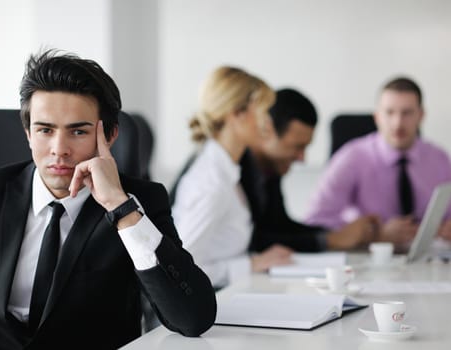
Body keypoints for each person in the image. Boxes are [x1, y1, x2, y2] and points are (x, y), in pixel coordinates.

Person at [0, 50, 216, 350]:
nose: (59, 149)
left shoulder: (141, 201)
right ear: (28, 132)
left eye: (78, 131)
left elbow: (192, 318)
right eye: (45, 130)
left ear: (110, 135)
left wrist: (120, 207)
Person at [171, 66, 292, 289]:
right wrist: (251, 264)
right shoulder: (211, 183)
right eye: (264, 112)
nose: (269, 123)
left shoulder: (229, 170)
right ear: (237, 114)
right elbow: (181, 269)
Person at [305, 77, 451, 250]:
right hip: (369, 257)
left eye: (407, 113)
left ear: (421, 116)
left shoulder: (440, 159)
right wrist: (373, 234)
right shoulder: (351, 158)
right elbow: (315, 220)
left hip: (428, 259)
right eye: (389, 112)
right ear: (377, 117)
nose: (398, 123)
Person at [241, 88, 378, 253]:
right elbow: (253, 240)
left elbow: (281, 227)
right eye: (297, 147)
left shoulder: (270, 169)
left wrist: (337, 235)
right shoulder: (237, 171)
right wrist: (331, 240)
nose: (302, 158)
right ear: (267, 130)